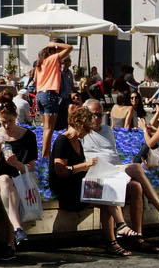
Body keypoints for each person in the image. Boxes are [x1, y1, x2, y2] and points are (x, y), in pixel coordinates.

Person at [80, 99, 159, 242]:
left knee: (136, 187)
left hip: (113, 172)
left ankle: (138, 237)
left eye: (100, 115)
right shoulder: (80, 132)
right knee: (136, 167)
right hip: (97, 175)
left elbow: (113, 155)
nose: (97, 118)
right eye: (93, 114)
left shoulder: (107, 130)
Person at [51, 105, 139, 257]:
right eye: (87, 129)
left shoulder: (77, 141)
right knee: (107, 197)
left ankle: (114, 239)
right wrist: (85, 165)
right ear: (80, 125)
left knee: (108, 194)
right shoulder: (62, 141)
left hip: (79, 185)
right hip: (67, 191)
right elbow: (61, 171)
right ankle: (119, 231)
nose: (89, 133)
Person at [0, 96, 37, 257]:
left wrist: (17, 164)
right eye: (3, 122)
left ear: (16, 117)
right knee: (6, 180)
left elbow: (30, 168)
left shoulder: (28, 136)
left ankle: (11, 243)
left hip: (20, 178)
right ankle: (17, 229)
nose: (6, 125)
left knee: (11, 189)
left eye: (10, 122)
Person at [31, 42, 72, 158]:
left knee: (45, 127)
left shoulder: (39, 64)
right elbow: (70, 47)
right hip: (50, 94)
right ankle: (45, 155)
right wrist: (55, 44)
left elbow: (35, 81)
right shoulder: (53, 59)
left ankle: (45, 153)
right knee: (49, 128)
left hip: (40, 94)